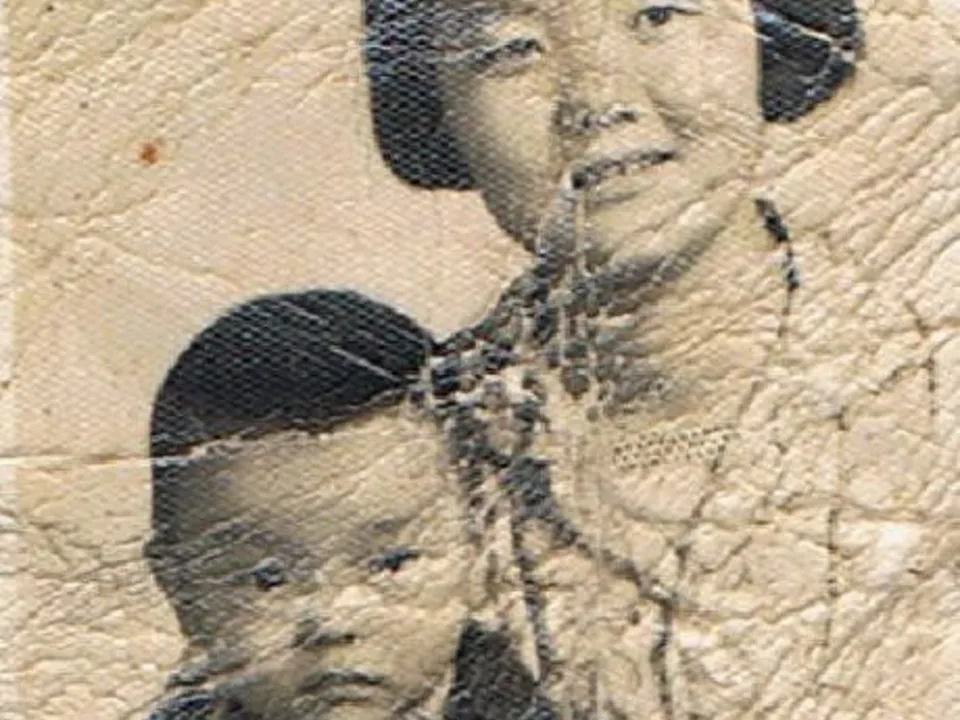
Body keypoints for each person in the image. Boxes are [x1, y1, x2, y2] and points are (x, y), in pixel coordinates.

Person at [144, 1, 862, 718]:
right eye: (513, 49)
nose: (597, 100)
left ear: (767, 29)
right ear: (435, 99)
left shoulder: (913, 370)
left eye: (656, 15)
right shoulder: (397, 447)